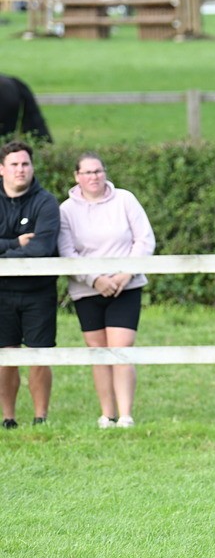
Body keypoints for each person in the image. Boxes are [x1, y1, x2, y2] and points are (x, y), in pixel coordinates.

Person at [58, 154, 156, 428]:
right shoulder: (66, 210)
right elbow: (66, 250)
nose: (94, 177)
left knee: (121, 347)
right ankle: (107, 414)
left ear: (105, 172)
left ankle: (125, 415)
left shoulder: (125, 199)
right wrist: (95, 279)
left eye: (98, 171)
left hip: (126, 286)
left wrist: (125, 274)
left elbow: (144, 239)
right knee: (98, 351)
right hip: (87, 290)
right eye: (88, 172)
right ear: (77, 176)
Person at [0, 141, 59, 429]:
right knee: (5, 355)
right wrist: (15, 243)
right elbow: (27, 247)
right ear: (1, 169)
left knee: (40, 354)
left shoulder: (46, 203)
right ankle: (8, 417)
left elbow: (42, 248)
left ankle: (40, 417)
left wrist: (4, 254)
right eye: (14, 164)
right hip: (2, 292)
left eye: (25, 164)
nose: (20, 170)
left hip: (39, 291)